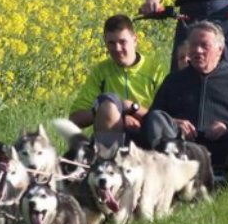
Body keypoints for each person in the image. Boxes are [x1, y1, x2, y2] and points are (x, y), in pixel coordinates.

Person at [143, 21, 228, 166]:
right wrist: (174, 122)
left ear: (220, 49)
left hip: (226, 145)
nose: (198, 50)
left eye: (204, 45)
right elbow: (150, 118)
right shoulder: (174, 80)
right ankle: (170, 163)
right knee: (156, 116)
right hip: (184, 149)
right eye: (194, 45)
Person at [69, 14, 166, 144]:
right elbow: (75, 119)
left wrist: (133, 109)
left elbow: (166, 119)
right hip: (112, 139)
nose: (117, 49)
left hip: (147, 137)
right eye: (111, 43)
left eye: (122, 42)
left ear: (135, 40)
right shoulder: (101, 71)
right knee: (108, 105)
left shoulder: (155, 70)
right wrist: (111, 113)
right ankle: (106, 161)